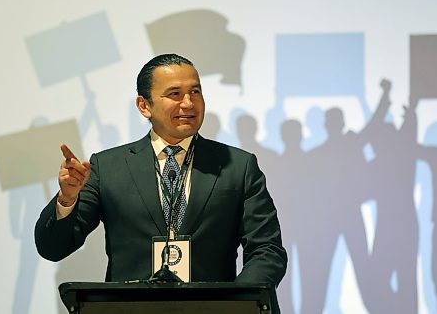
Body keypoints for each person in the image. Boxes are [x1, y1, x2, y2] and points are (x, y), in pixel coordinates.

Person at [35, 53, 287, 311]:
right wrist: (67, 199)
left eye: (195, 92)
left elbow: (267, 249)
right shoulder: (108, 167)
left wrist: (236, 303)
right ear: (144, 105)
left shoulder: (238, 165)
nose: (188, 103)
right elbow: (53, 248)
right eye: (175, 94)